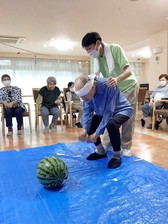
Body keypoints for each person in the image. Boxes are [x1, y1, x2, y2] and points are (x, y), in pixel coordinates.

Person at [81, 32, 139, 157]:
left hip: (127, 85)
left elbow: (128, 71)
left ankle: (125, 146)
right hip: (113, 89)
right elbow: (95, 77)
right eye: (87, 50)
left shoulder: (115, 49)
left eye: (90, 49)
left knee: (127, 118)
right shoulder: (95, 58)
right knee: (109, 115)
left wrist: (117, 79)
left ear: (98, 43)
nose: (89, 52)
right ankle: (108, 143)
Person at [74, 75, 133, 169]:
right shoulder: (87, 93)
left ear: (93, 87)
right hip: (103, 112)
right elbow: (87, 112)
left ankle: (117, 156)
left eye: (84, 96)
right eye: (81, 97)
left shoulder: (109, 85)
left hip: (122, 110)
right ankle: (100, 151)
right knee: (90, 126)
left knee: (111, 125)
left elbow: (109, 113)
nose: (84, 99)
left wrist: (96, 134)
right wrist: (84, 129)